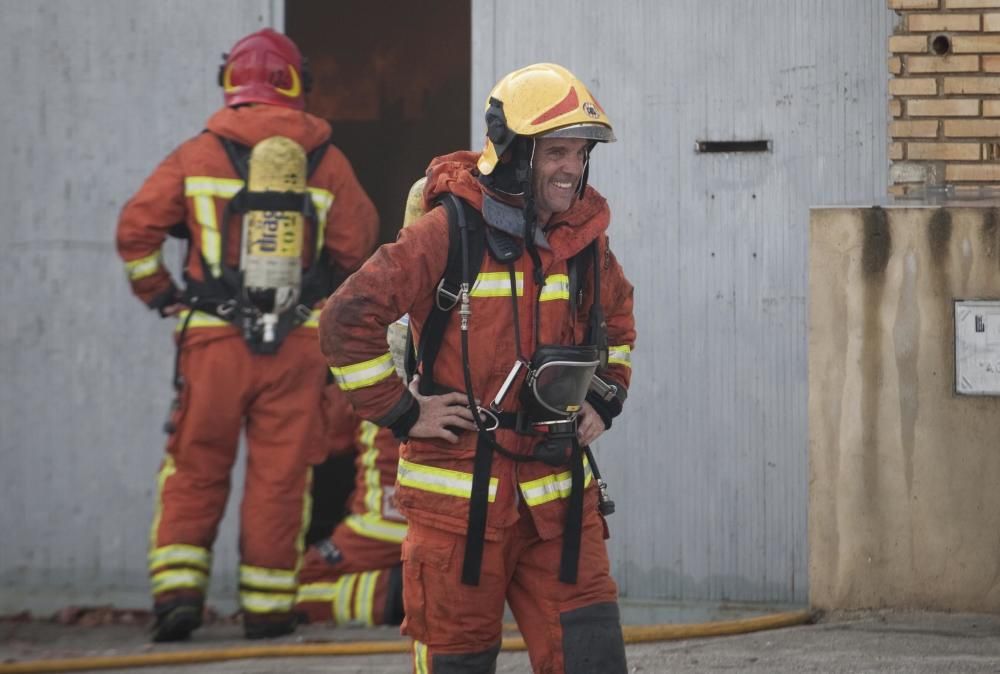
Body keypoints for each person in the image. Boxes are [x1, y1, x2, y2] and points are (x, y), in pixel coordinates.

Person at [320, 63, 635, 673]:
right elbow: (344, 322)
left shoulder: (584, 242)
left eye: (579, 152)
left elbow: (617, 324)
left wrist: (605, 396)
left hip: (559, 502)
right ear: (517, 155)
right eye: (556, 152)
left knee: (594, 661)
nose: (572, 168)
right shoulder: (448, 232)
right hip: (457, 508)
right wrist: (403, 411)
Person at [115, 28, 378, 641]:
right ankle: (266, 608)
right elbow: (357, 245)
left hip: (212, 343)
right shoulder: (327, 161)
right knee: (280, 476)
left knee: (195, 464)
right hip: (295, 347)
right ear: (298, 86)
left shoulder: (196, 154)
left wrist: (162, 296)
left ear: (229, 82)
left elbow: (135, 235)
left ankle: (178, 595)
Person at [294, 320, 409, 627]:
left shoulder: (366, 379)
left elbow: (332, 440)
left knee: (308, 579)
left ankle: (404, 595)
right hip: (447, 520)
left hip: (384, 523)